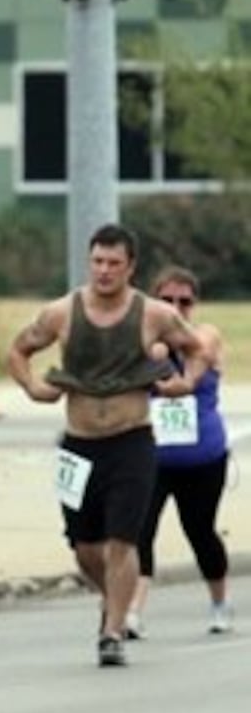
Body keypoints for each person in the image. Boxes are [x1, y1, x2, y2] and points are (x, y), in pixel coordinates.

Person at [7, 224, 205, 667]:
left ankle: (113, 631)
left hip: (131, 441)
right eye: (98, 261)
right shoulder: (62, 312)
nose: (105, 271)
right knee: (85, 548)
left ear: (131, 267)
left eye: (114, 263)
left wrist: (184, 382)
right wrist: (33, 387)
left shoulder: (153, 314)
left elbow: (195, 350)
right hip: (78, 445)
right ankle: (111, 599)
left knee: (122, 541)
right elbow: (18, 350)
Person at [130, 266, 232, 638]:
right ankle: (134, 612)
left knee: (200, 531)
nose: (175, 307)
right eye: (166, 300)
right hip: (153, 456)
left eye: (184, 301)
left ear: (195, 305)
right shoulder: (145, 340)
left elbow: (200, 349)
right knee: (141, 531)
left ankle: (219, 601)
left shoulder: (206, 335)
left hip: (202, 456)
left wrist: (166, 343)